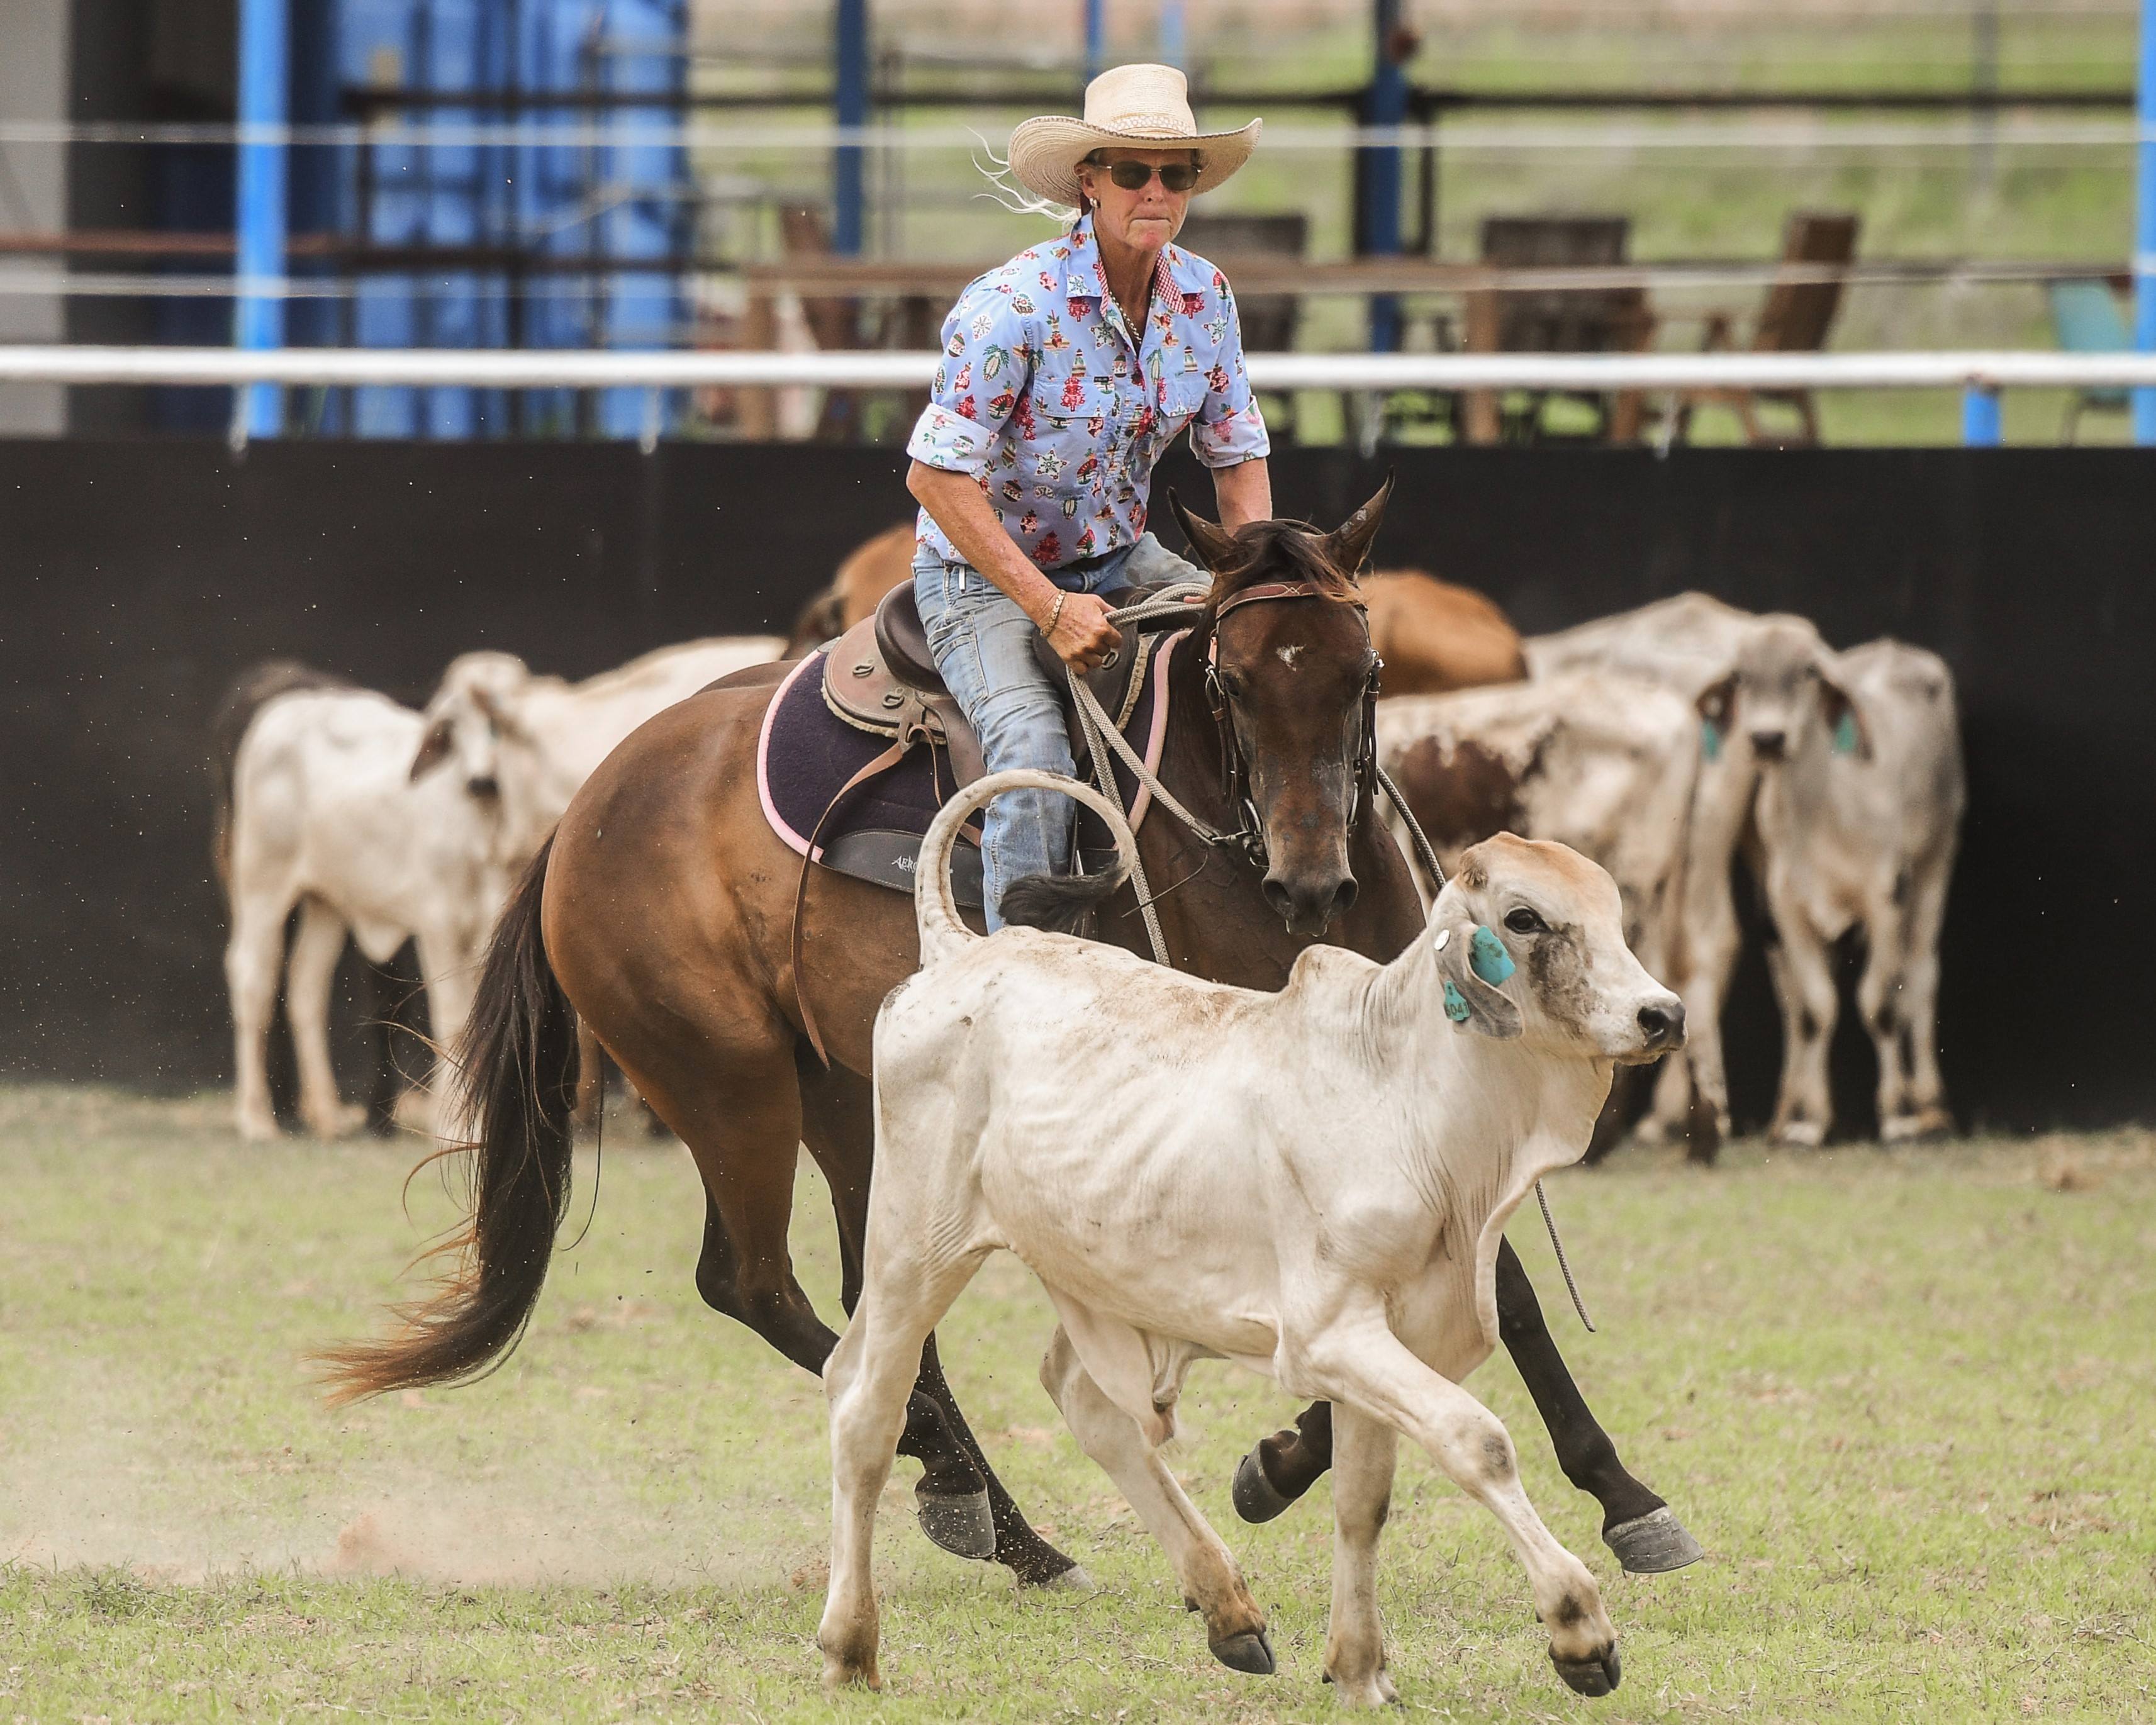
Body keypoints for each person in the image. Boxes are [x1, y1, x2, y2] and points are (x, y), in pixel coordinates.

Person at [904, 62, 1273, 929]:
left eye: (1176, 173)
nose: (1156, 191)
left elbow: (1237, 457)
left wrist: (1254, 587)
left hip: (1121, 557)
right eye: (1133, 170)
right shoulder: (1013, 306)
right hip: (982, 578)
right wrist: (1049, 606)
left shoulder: (1207, 297)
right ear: (1089, 182)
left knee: (1271, 668)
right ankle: (1016, 976)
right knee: (1033, 754)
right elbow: (935, 476)